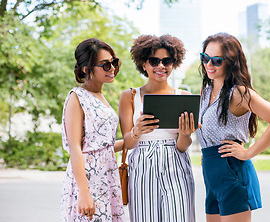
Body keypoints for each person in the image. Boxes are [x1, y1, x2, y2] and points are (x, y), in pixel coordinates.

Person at [196, 32, 270, 222]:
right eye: (205, 58)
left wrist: (249, 153)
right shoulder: (206, 91)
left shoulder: (239, 93)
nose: (209, 65)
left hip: (231, 172)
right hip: (211, 173)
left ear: (231, 62)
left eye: (216, 61)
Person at [118, 34, 196, 222]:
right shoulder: (129, 96)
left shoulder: (183, 95)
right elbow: (128, 142)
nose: (160, 66)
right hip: (143, 164)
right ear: (143, 64)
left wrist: (185, 134)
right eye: (154, 61)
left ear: (173, 64)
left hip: (176, 162)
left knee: (180, 217)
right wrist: (137, 131)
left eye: (166, 61)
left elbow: (183, 146)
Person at [61, 38, 125, 221]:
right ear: (85, 68)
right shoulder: (77, 97)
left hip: (107, 178)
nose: (112, 68)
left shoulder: (100, 96)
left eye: (114, 62)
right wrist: (84, 192)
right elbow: (75, 147)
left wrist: (132, 138)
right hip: (88, 180)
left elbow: (100, 146)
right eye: (105, 65)